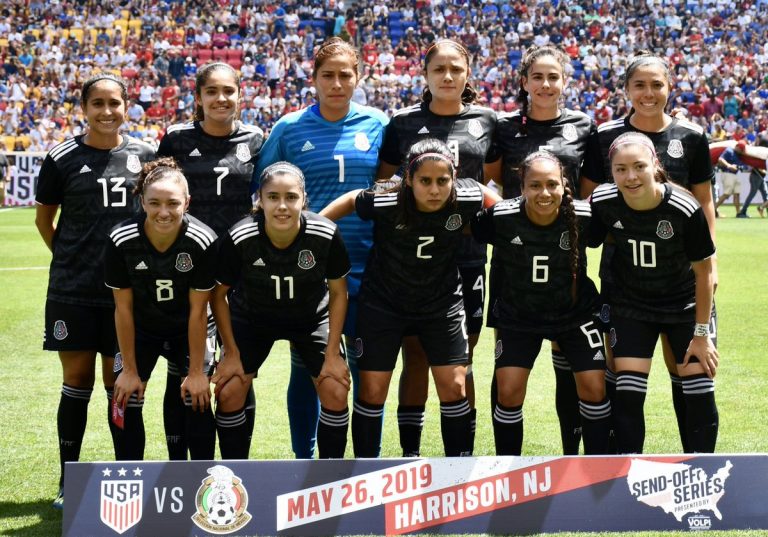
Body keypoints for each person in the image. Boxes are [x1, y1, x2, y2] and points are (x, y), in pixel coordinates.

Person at [253, 37, 388, 459]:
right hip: (309, 269)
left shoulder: (378, 125)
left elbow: (394, 188)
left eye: (344, 75)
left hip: (371, 265)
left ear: (357, 77)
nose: (336, 83)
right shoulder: (289, 129)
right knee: (308, 367)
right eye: (327, 75)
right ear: (313, 79)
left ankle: (367, 462)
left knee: (368, 369)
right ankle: (305, 459)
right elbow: (263, 193)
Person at [321, 138, 500, 457]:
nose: (434, 189)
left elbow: (493, 200)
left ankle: (456, 471)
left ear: (454, 178)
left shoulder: (466, 195)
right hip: (383, 303)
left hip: (441, 304)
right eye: (425, 181)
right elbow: (351, 200)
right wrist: (314, 227)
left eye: (443, 181)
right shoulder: (387, 201)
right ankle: (365, 469)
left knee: (455, 386)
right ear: (408, 180)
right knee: (373, 389)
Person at [34, 73, 155, 508]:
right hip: (73, 291)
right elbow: (45, 222)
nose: (107, 111)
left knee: (123, 385)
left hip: (127, 297)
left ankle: (130, 479)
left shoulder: (146, 154)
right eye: (98, 103)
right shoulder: (62, 157)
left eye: (115, 103)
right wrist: (73, 257)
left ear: (127, 107)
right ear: (83, 108)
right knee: (76, 381)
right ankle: (69, 482)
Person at [376, 38, 500, 457]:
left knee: (460, 362)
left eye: (456, 69)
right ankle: (410, 455)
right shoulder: (403, 123)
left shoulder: (486, 120)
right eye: (439, 69)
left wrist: (474, 223)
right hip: (413, 263)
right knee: (415, 356)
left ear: (468, 74)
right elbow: (387, 186)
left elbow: (494, 185)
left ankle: (460, 461)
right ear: (424, 75)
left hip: (466, 259)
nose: (448, 76)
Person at [596, 51, 717, 453]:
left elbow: (704, 202)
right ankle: (624, 481)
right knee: (627, 384)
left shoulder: (692, 136)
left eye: (656, 84)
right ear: (627, 89)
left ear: (669, 87)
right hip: (625, 281)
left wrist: (708, 264)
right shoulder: (604, 136)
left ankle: (699, 472)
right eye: (639, 85)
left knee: (689, 375)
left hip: (683, 280)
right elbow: (593, 209)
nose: (648, 93)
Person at [493, 44, 604, 456]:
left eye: (553, 76)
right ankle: (508, 466)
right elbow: (491, 186)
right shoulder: (503, 128)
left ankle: (573, 459)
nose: (545, 84)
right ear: (524, 82)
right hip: (516, 256)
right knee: (509, 375)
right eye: (536, 77)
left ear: (565, 81)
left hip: (565, 258)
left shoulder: (584, 127)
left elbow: (588, 195)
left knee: (571, 367)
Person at [157, 62, 264, 460]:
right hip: (187, 271)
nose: (221, 99)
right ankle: (184, 468)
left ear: (240, 95)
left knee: (237, 372)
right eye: (212, 92)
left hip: (238, 274)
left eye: (229, 91)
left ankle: (237, 468)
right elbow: (160, 200)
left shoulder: (255, 139)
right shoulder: (176, 140)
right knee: (185, 371)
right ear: (198, 97)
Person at [472, 151, 610, 455]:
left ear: (564, 185)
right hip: (519, 316)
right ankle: (509, 471)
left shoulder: (585, 217)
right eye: (535, 185)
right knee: (508, 390)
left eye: (551, 184)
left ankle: (599, 468)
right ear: (522, 187)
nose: (544, 193)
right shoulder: (502, 217)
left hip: (575, 314)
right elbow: (467, 223)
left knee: (594, 386)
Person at [211, 162, 351, 459]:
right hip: (252, 319)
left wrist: (333, 354)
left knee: (336, 389)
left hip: (310, 318)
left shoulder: (325, 234)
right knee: (228, 391)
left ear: (304, 198)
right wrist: (231, 354)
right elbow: (218, 295)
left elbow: (339, 293)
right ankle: (236, 477)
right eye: (273, 197)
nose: (282, 206)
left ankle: (328, 479)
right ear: (259, 200)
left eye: (291, 197)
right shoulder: (240, 237)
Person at [106, 158, 217, 461]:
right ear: (142, 201)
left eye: (172, 203)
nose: (163, 212)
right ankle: (131, 479)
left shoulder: (203, 241)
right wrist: (129, 371)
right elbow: (123, 309)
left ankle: (201, 479)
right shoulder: (120, 240)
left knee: (197, 396)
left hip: (188, 327)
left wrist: (196, 373)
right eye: (154, 203)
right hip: (142, 327)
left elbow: (198, 311)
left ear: (187, 203)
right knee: (122, 399)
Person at [714, 141, 748, 217]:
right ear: (737, 147)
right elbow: (720, 159)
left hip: (735, 174)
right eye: (740, 149)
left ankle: (738, 213)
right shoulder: (729, 150)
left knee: (737, 194)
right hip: (727, 173)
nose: (741, 151)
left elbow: (743, 166)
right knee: (726, 194)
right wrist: (729, 166)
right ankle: (713, 210)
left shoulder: (739, 155)